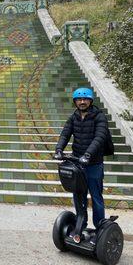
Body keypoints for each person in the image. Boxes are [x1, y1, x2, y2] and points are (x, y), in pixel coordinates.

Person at [54, 88, 109, 243]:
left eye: (85, 99)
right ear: (75, 101)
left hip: (93, 164)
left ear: (91, 101)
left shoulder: (99, 117)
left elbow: (100, 137)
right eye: (79, 99)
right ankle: (81, 225)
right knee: (78, 195)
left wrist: (88, 154)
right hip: (78, 163)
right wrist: (59, 149)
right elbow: (65, 134)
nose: (82, 102)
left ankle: (99, 228)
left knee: (96, 196)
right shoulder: (73, 117)